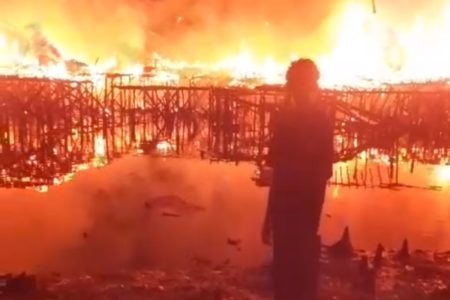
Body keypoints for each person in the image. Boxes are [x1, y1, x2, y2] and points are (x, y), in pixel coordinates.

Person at [261, 59, 334, 300]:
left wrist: (268, 216)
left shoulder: (287, 121)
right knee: (300, 268)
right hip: (304, 206)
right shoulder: (321, 119)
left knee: (286, 267)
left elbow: (278, 171)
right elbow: (323, 172)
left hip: (290, 206)